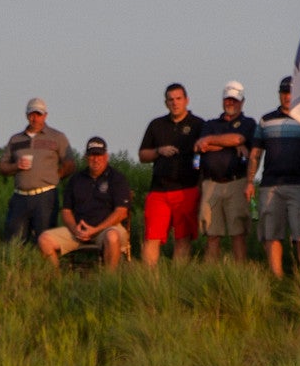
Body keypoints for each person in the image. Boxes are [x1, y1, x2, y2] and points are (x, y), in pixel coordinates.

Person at [37, 136, 130, 269]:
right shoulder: (76, 179)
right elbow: (66, 211)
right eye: (92, 155)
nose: (95, 159)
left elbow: (121, 212)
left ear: (106, 156)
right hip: (79, 232)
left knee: (112, 236)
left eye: (99, 154)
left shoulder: (117, 178)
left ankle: (110, 280)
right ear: (86, 157)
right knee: (44, 239)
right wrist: (75, 229)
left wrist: (96, 230)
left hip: (106, 229)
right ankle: (55, 282)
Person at [138, 84, 205, 266]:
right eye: (171, 99)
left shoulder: (198, 124)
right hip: (159, 191)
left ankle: (178, 281)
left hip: (187, 190)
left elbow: (204, 154)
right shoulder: (156, 125)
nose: (175, 103)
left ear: (186, 100)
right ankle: (149, 282)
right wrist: (159, 150)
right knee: (152, 237)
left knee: (183, 238)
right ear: (166, 102)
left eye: (178, 98)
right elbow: (143, 155)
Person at [256, 77, 300, 276]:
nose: (288, 97)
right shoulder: (266, 120)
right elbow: (256, 153)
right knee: (271, 234)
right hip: (270, 184)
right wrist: (250, 180)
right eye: (284, 93)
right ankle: (277, 278)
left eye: (291, 93)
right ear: (280, 94)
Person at [196, 82, 259, 262]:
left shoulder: (248, 123)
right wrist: (231, 144)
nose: (231, 103)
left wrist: (214, 142)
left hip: (237, 182)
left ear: (242, 101)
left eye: (235, 100)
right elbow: (201, 145)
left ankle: (239, 274)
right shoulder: (210, 124)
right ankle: (211, 274)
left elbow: (239, 137)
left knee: (238, 233)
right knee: (211, 234)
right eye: (228, 99)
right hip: (211, 184)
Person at [0, 99, 72, 245]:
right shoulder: (16, 139)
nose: (35, 118)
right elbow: (2, 166)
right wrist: (16, 166)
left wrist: (56, 176)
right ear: (27, 115)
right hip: (20, 197)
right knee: (14, 241)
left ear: (45, 115)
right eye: (32, 114)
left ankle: (44, 268)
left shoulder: (57, 137)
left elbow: (69, 163)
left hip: (45, 196)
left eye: (38, 114)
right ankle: (17, 268)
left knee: (45, 239)